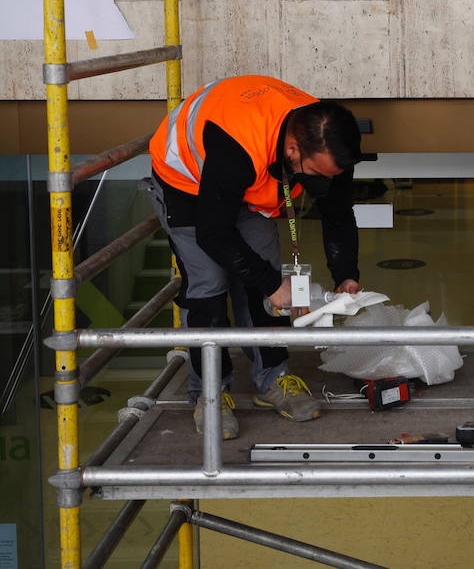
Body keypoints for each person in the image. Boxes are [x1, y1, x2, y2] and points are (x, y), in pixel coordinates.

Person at [146, 75, 363, 437]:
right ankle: (210, 394)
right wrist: (270, 284)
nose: (322, 183)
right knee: (209, 285)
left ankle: (274, 379)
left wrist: (347, 274)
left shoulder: (329, 141)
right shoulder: (239, 145)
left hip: (251, 182)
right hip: (186, 185)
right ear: (293, 150)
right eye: (315, 174)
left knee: (267, 278)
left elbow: (338, 213)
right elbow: (214, 233)